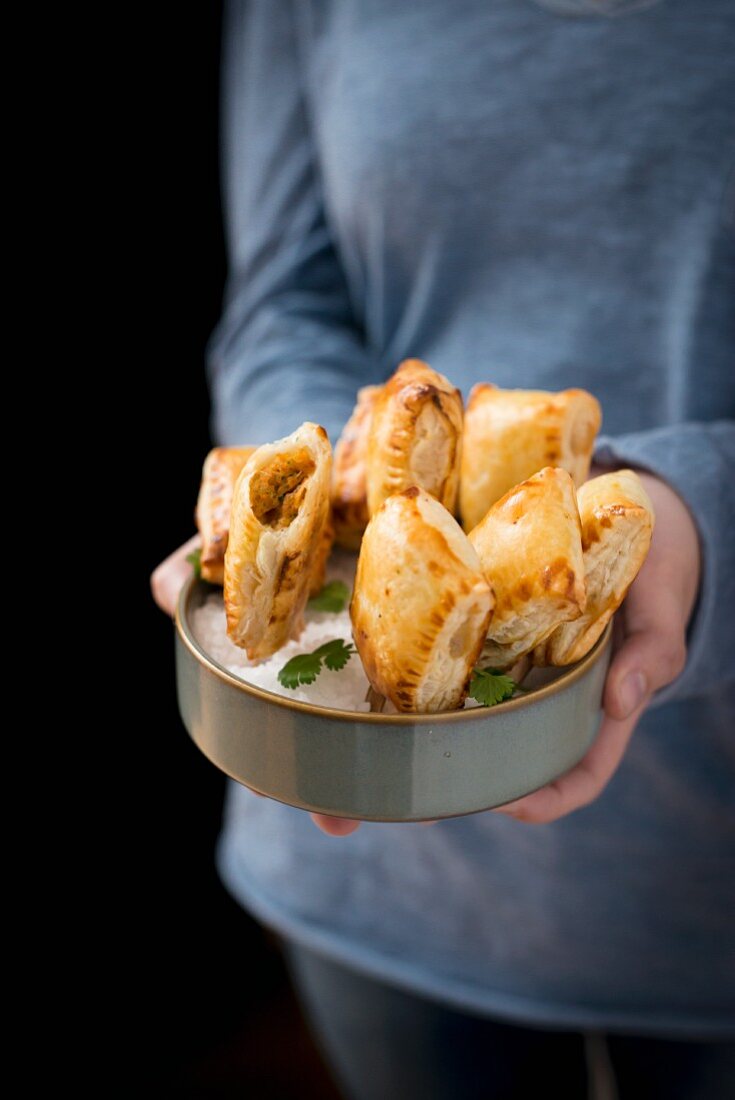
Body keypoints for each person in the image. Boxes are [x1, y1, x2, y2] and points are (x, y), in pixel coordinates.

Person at [152, 2, 735, 1096]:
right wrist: (293, 515)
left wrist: (702, 513)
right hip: (368, 853)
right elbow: (284, 300)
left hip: (710, 882)